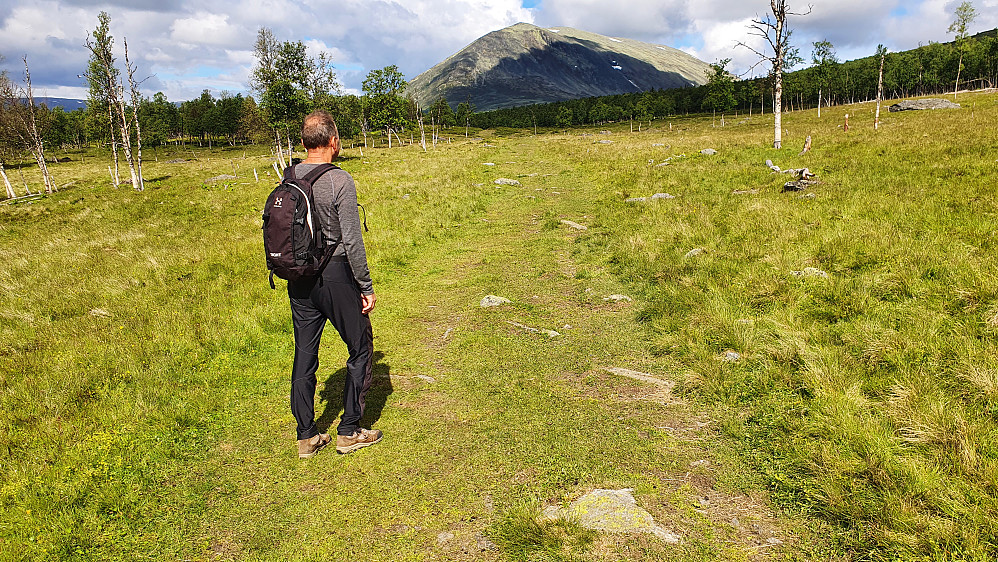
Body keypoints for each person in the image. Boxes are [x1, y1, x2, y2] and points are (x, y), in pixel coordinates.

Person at [287, 110, 381, 458]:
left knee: (305, 353)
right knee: (360, 347)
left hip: (299, 279)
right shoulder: (340, 180)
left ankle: (306, 436)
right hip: (336, 275)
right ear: (333, 142)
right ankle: (349, 430)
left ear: (303, 143)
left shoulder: (289, 177)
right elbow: (353, 242)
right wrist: (366, 286)